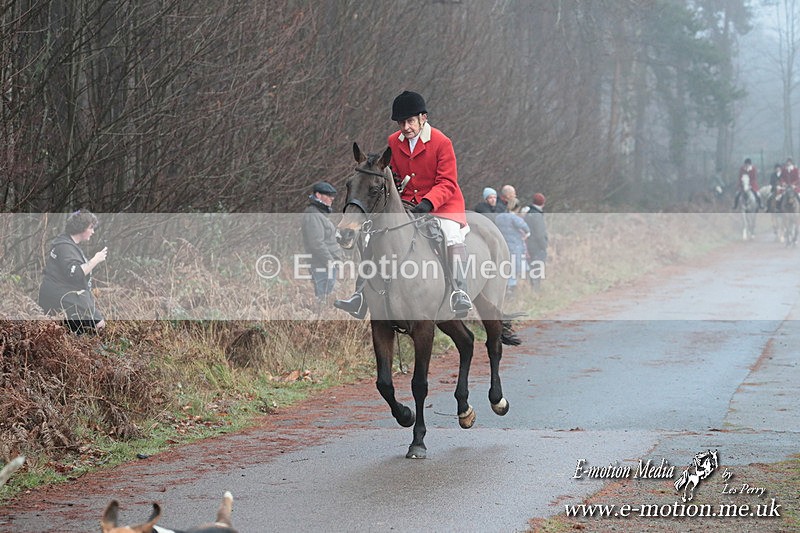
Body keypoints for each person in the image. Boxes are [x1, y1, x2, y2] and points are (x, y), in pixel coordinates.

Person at [335, 90, 473, 318]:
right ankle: (359, 295)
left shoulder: (441, 142)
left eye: (410, 121)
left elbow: (448, 182)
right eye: (401, 122)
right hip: (408, 203)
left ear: (423, 118)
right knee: (371, 234)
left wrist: (428, 203)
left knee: (450, 234)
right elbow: (394, 177)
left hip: (442, 204)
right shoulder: (393, 142)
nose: (405, 127)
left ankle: (459, 291)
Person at [38, 210, 107, 334]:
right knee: (99, 325)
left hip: (65, 295)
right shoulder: (65, 247)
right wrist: (96, 260)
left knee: (74, 333)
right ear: (81, 228)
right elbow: (74, 273)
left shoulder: (66, 243)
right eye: (91, 228)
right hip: (63, 296)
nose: (93, 231)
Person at [301, 181, 343, 304]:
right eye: (328, 195)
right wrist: (330, 262)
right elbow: (316, 243)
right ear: (318, 195)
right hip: (321, 263)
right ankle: (320, 318)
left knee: (326, 295)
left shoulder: (319, 214)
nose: (332, 198)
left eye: (332, 195)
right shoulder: (313, 215)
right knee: (322, 297)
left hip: (325, 263)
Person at [495, 199, 530, 296]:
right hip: (515, 246)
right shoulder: (515, 218)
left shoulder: (499, 217)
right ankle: (512, 291)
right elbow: (526, 228)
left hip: (502, 246)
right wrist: (526, 235)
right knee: (514, 269)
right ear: (517, 208)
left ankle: (505, 289)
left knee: (504, 268)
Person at [525, 193, 549, 289]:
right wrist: (544, 245)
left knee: (532, 267)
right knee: (537, 269)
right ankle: (536, 289)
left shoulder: (529, 213)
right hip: (537, 246)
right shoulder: (537, 215)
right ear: (543, 203)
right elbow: (540, 234)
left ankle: (533, 288)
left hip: (529, 245)